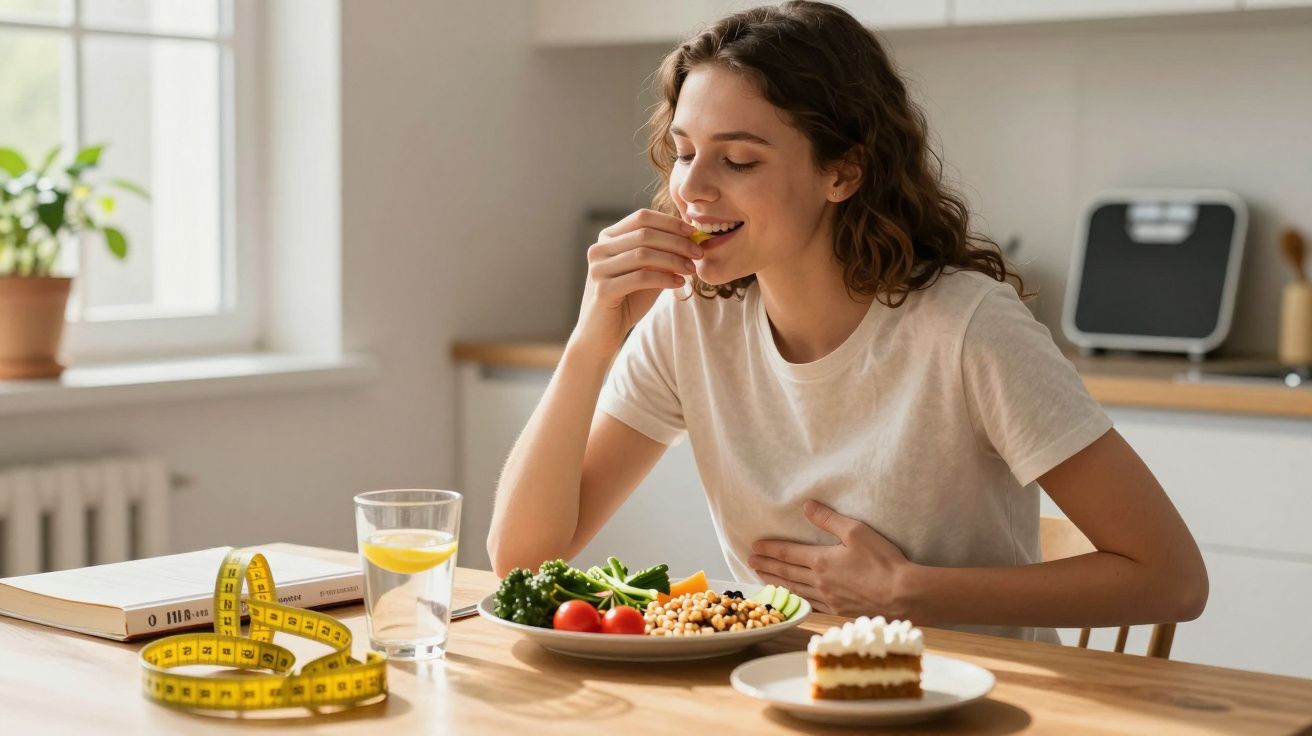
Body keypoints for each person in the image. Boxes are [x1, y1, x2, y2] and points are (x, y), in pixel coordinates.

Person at [487, 0, 1207, 641]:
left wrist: (908, 592)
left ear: (843, 173)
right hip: (772, 691)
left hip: (971, 702)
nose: (692, 190)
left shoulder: (967, 329)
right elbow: (520, 557)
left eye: (737, 159)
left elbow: (1172, 578)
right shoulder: (690, 319)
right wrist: (592, 341)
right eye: (682, 153)